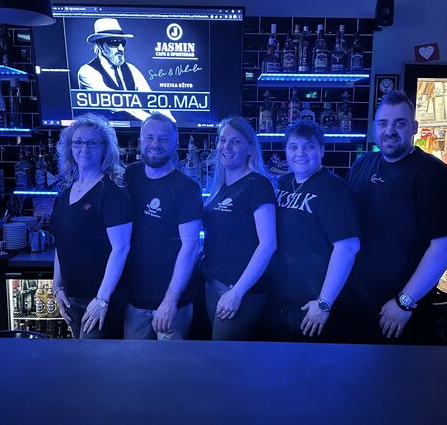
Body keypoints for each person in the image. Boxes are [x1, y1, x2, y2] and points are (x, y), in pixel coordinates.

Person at [344, 90, 447, 344]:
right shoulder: (362, 164)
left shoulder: (433, 173)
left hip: (402, 312)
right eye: (383, 123)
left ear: (414, 127)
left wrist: (405, 301)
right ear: (374, 127)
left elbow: (446, 244)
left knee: (399, 369)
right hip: (357, 303)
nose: (390, 131)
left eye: (400, 123)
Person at [263, 120, 360, 342]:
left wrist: (324, 302)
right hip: (280, 300)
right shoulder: (283, 183)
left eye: (308, 146)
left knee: (309, 363)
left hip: (313, 305)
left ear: (321, 150)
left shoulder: (334, 189)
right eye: (293, 147)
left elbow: (348, 247)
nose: (300, 153)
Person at [50, 113, 132, 339]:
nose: (84, 148)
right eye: (78, 142)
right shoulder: (65, 191)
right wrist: (57, 287)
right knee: (81, 357)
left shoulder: (112, 193)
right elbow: (61, 241)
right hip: (72, 296)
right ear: (70, 148)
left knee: (94, 359)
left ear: (105, 149)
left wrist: (102, 300)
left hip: (101, 299)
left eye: (92, 143)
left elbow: (121, 248)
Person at [123, 112, 203, 339]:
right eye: (149, 137)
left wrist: (170, 301)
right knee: (132, 362)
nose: (155, 144)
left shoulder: (187, 188)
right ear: (140, 141)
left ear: (175, 144)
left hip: (172, 304)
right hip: (134, 300)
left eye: (163, 139)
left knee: (170, 362)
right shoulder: (130, 174)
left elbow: (191, 246)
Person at [202, 116, 277, 340]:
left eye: (235, 141)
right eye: (223, 140)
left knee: (222, 355)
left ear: (250, 149)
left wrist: (237, 292)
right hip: (214, 282)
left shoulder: (258, 184)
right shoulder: (220, 186)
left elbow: (268, 244)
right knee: (217, 351)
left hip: (240, 289)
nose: (227, 146)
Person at [77, 18, 155, 122]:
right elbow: (115, 103)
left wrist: (170, 123)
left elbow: (151, 100)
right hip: (100, 130)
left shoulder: (132, 69)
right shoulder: (87, 72)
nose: (120, 48)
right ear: (100, 45)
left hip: (134, 129)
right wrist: (150, 121)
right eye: (114, 42)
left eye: (122, 42)